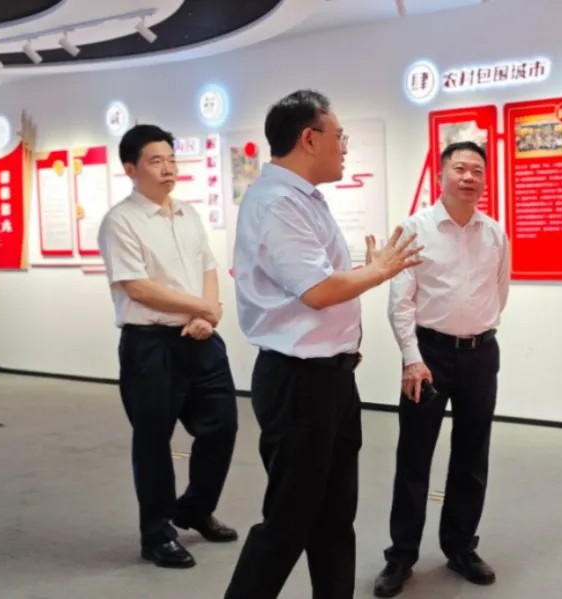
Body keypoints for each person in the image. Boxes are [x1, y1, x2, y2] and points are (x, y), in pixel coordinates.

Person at [224, 89, 423, 599]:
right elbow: (317, 290)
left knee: (334, 518)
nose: (345, 146)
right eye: (340, 136)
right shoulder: (276, 203)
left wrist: (366, 272)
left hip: (330, 380)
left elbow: (321, 282)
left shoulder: (303, 199)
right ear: (309, 139)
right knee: (288, 521)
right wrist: (377, 272)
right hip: (299, 384)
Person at [96, 124, 240, 569]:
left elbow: (208, 268)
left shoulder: (187, 214)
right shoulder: (120, 221)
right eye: (156, 161)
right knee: (154, 441)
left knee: (222, 426)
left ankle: (194, 508)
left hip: (201, 338)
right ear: (130, 169)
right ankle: (157, 534)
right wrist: (202, 307)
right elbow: (137, 287)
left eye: (172, 160)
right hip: (150, 346)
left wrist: (205, 315)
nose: (168, 169)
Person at [373, 141, 510, 598]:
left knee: (472, 456)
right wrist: (412, 357)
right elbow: (400, 302)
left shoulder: (494, 233)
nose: (469, 177)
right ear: (441, 175)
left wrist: (477, 331)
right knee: (414, 456)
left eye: (477, 170)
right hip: (427, 356)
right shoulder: (414, 230)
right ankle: (401, 555)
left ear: (484, 179)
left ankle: (460, 547)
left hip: (480, 354)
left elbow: (500, 291)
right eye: (460, 168)